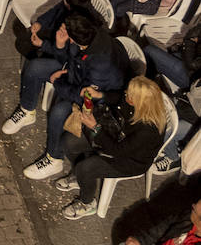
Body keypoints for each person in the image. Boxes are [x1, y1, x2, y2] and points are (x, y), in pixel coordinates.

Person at [2, 10, 130, 182]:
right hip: (76, 76)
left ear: (74, 39)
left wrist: (58, 82)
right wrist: (57, 45)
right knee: (35, 68)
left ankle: (54, 158)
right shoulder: (86, 36)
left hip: (99, 102)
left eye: (64, 31)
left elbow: (84, 96)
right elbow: (69, 59)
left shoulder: (101, 66)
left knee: (58, 112)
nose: (61, 30)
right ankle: (27, 111)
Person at [56, 76, 167, 220]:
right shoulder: (138, 104)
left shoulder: (148, 130)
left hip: (129, 161)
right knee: (69, 142)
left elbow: (117, 151)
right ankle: (81, 178)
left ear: (138, 102)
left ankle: (87, 203)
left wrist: (95, 128)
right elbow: (118, 97)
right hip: (116, 135)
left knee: (85, 168)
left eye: (129, 95)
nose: (125, 95)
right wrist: (99, 95)